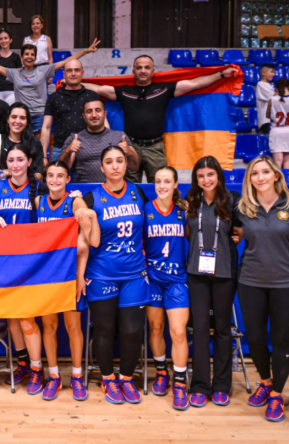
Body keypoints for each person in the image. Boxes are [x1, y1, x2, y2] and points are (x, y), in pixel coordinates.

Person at [83, 56, 239, 183]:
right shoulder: (124, 91)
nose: (143, 71)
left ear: (153, 71)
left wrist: (221, 75)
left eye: (146, 67)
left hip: (155, 148)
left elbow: (195, 84)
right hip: (130, 147)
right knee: (130, 188)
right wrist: (73, 84)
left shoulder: (164, 89)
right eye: (139, 68)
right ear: (134, 71)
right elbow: (98, 89)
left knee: (160, 184)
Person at [235, 156, 289, 423]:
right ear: (249, 179)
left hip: (287, 283)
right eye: (255, 173)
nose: (260, 177)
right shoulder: (243, 207)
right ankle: (265, 381)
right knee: (254, 338)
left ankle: (276, 394)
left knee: (281, 340)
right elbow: (237, 234)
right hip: (251, 281)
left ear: (276, 175)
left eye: (265, 172)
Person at [82, 146, 150, 405]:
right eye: (109, 162)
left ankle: (126, 378)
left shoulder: (138, 192)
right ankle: (108, 378)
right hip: (102, 274)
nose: (114, 166)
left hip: (133, 273)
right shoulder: (92, 197)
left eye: (119, 161)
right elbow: (83, 240)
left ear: (125, 165)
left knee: (132, 330)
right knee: (105, 329)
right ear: (102, 167)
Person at [0, 143, 49, 393]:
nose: (14, 164)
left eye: (19, 160)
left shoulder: (39, 188)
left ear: (28, 162)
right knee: (12, 315)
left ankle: (37, 368)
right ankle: (23, 361)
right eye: (10, 160)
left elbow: (47, 223)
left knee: (27, 317)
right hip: (5, 260)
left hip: (30, 262)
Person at [35, 162, 99, 401]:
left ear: (68, 179)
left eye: (60, 176)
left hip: (70, 275)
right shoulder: (38, 203)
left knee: (73, 328)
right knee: (49, 327)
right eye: (50, 175)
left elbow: (85, 245)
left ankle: (76, 376)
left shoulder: (76, 203)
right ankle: (53, 376)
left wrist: (80, 276)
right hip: (46, 278)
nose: (54, 180)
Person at [184, 156, 240, 408]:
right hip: (196, 273)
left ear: (218, 175)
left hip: (225, 273)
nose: (206, 180)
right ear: (196, 179)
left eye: (210, 175)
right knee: (199, 328)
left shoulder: (232, 200)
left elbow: (239, 231)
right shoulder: (190, 202)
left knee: (221, 329)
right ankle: (199, 385)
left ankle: (221, 386)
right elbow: (188, 233)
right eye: (201, 176)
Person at [0, 39, 100, 134]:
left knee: (39, 149)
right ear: (22, 58)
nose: (29, 57)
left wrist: (86, 51)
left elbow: (66, 61)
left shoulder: (43, 70)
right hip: (22, 117)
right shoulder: (14, 73)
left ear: (35, 57)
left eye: (32, 55)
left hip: (40, 116)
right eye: (26, 54)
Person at [143, 167, 190, 410]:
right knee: (156, 327)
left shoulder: (184, 211)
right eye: (158, 181)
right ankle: (162, 372)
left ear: (175, 185)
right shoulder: (145, 209)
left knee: (178, 332)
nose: (162, 186)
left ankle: (180, 381)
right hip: (152, 278)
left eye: (167, 181)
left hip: (177, 280)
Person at [58, 100, 139, 183]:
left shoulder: (120, 136)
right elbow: (61, 169)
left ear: (105, 114)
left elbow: (134, 167)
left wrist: (129, 152)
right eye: (89, 111)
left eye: (98, 110)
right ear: (84, 116)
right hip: (84, 190)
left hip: (113, 190)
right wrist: (68, 151)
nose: (94, 115)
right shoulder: (75, 138)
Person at [41, 60, 100, 162]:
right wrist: (43, 157)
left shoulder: (92, 95)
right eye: (69, 70)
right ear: (64, 74)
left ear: (82, 73)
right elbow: (46, 127)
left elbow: (102, 123)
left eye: (76, 70)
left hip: (89, 149)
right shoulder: (54, 97)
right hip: (60, 149)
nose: (73, 74)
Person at [0, 103, 44, 182]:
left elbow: (39, 175)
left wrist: (20, 174)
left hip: (27, 189)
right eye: (14, 117)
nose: (18, 121)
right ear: (7, 119)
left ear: (27, 121)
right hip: (1, 189)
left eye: (22, 118)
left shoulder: (35, 143)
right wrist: (11, 172)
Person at [266, 78, 289, 169]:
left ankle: (276, 182)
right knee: (288, 160)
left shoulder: (272, 99)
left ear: (277, 89)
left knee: (277, 161)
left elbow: (268, 115)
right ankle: (288, 182)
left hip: (276, 130)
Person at [0, 29, 22, 104]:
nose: (3, 41)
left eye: (6, 38)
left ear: (11, 40)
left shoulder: (16, 57)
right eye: (1, 39)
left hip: (11, 91)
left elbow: (19, 77)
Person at [255, 64, 276, 135]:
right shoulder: (260, 84)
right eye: (272, 72)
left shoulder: (270, 85)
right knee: (263, 134)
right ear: (263, 73)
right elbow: (272, 96)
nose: (274, 74)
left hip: (271, 115)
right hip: (264, 116)